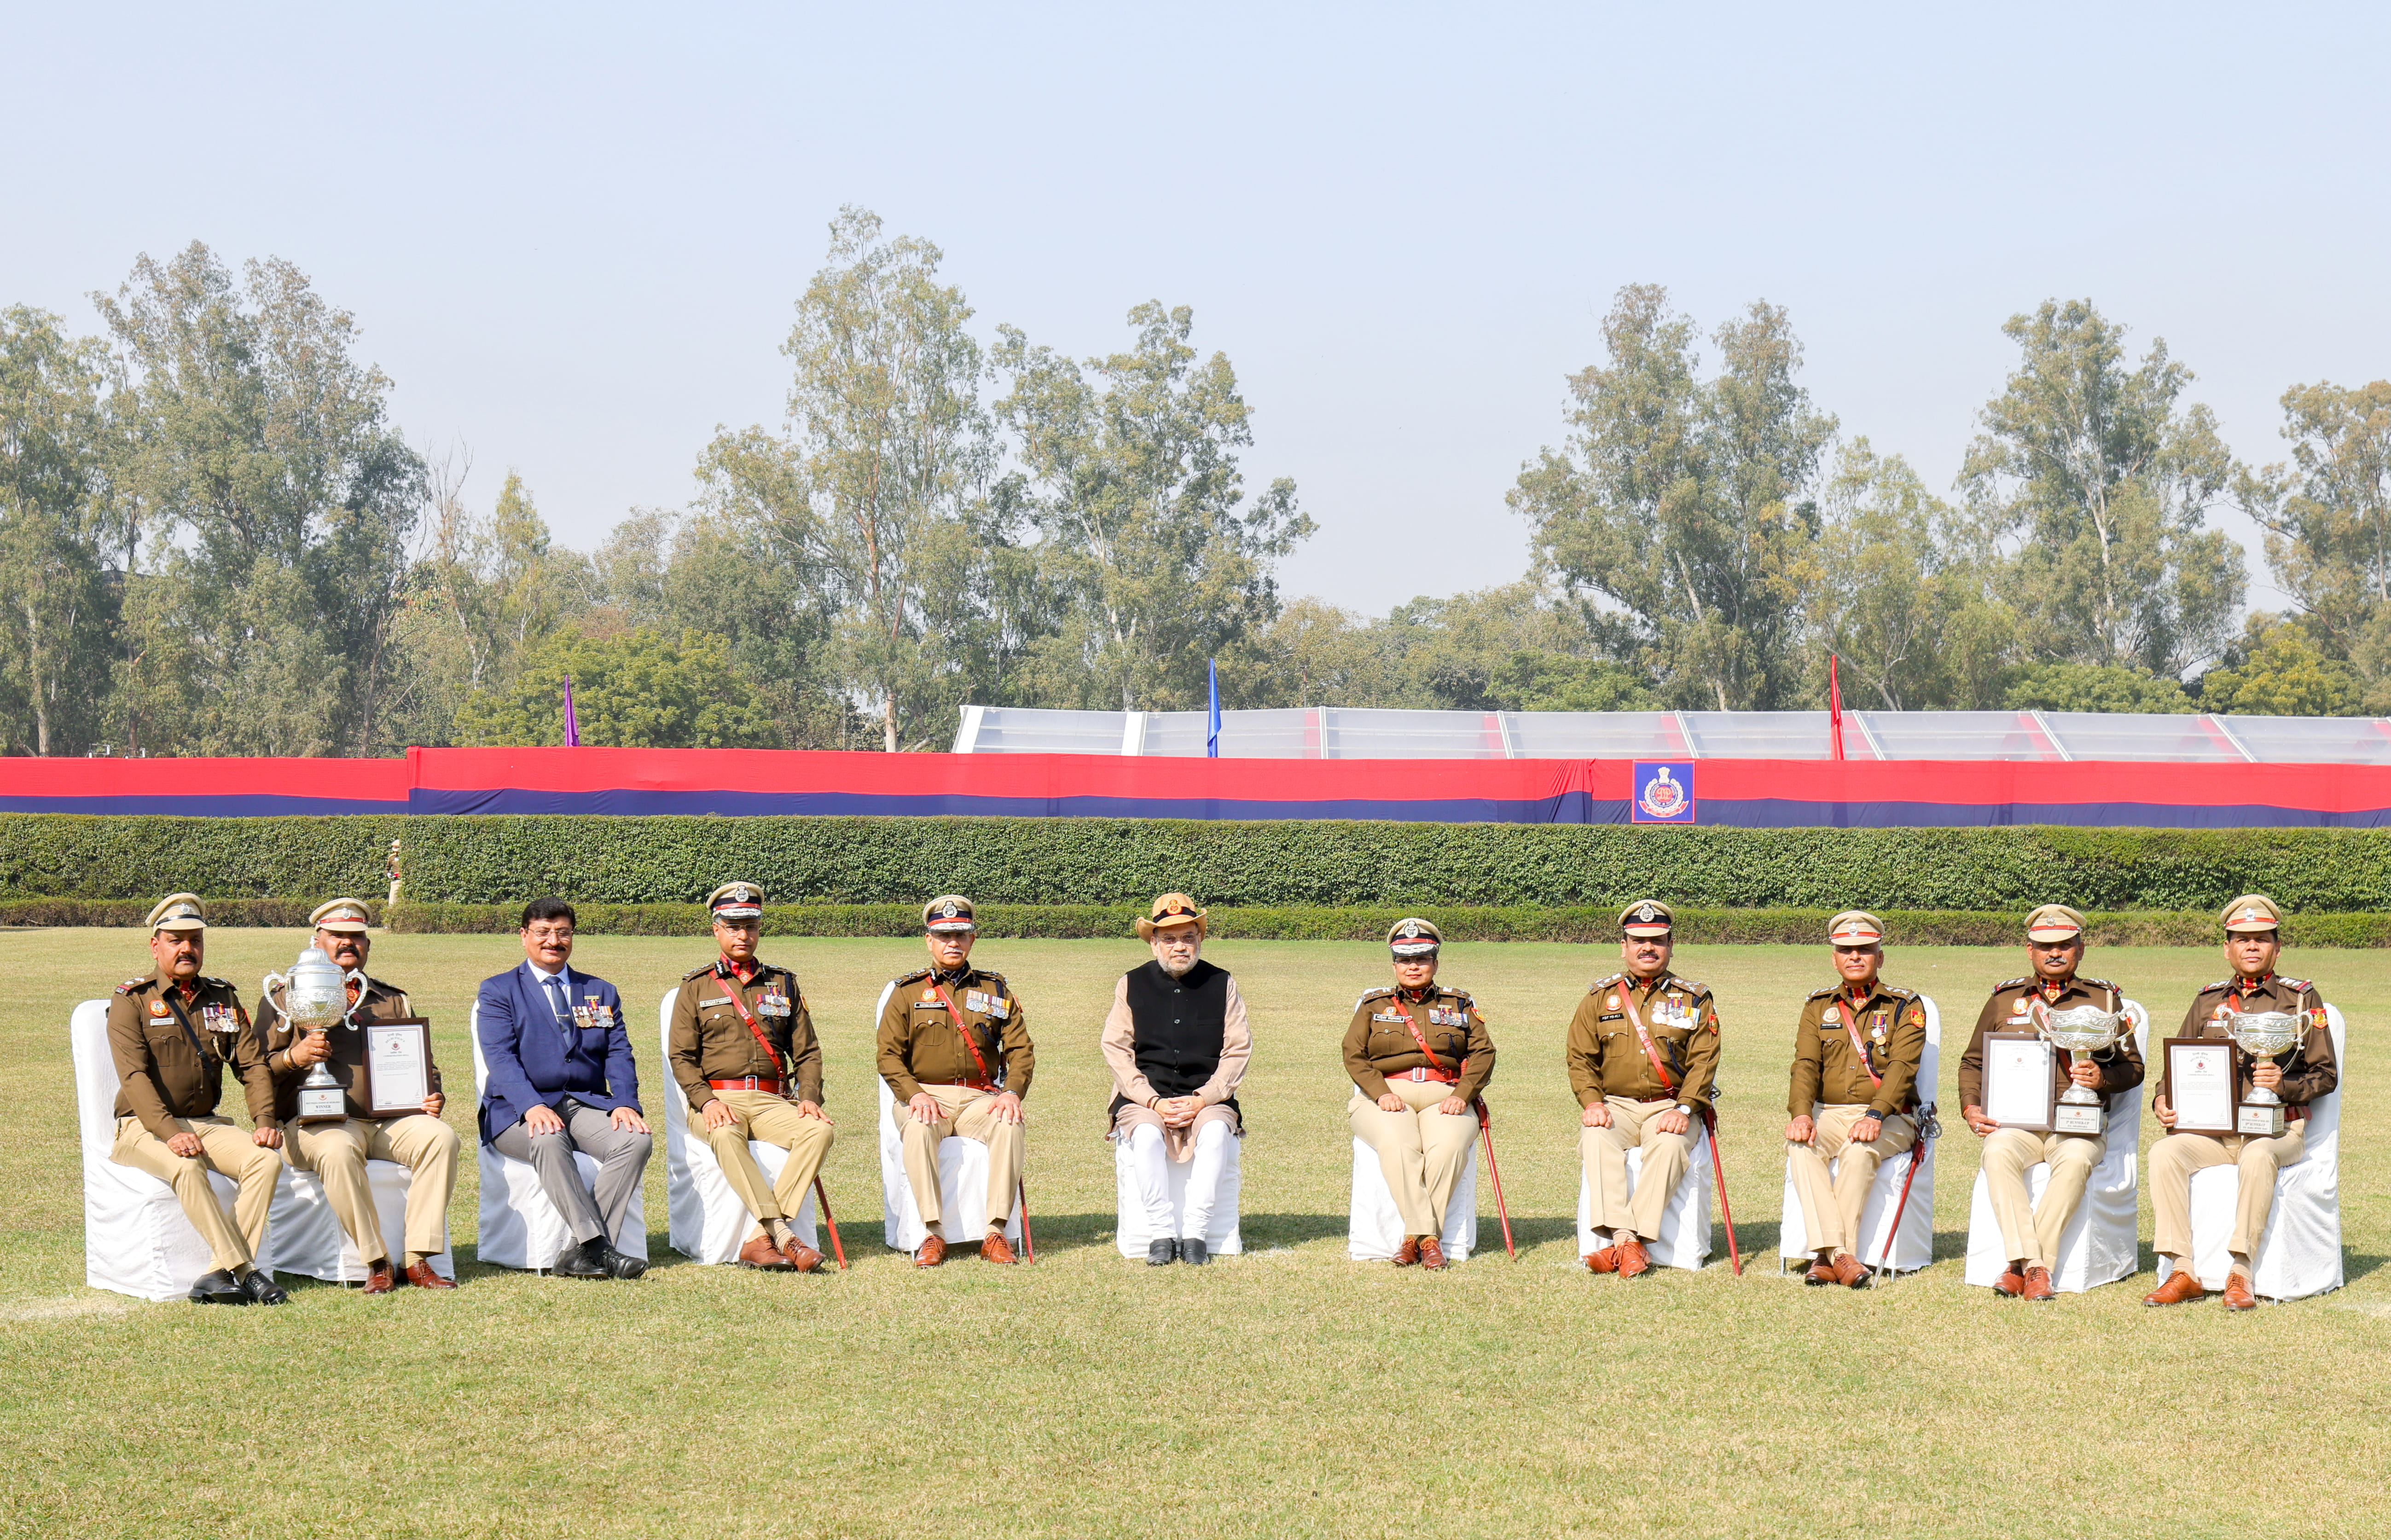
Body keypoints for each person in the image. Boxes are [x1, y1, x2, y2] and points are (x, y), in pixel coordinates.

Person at [2143, 894, 2339, 1311]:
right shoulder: (2207, 1001)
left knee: (2257, 1156)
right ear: (2227, 947)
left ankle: (2240, 1272)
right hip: (2216, 1132)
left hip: (2279, 1130)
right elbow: (2175, 1065)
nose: (2252, 946)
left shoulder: (2302, 999)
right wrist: (2163, 1098)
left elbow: (2326, 1075)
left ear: (2277, 947)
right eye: (2242, 939)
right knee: (2165, 1152)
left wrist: (2282, 1085)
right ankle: (2184, 1270)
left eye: (2262, 938)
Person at [255, 898, 460, 1293]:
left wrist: (433, 1094)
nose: (348, 944)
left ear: (368, 944)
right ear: (318, 941)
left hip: (388, 1121)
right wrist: (294, 1057)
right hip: (316, 1124)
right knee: (337, 1150)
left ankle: (419, 1258)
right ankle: (377, 1260)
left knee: (441, 1138)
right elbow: (258, 1069)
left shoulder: (390, 999)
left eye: (357, 938)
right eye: (338, 936)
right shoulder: (287, 996)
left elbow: (424, 1064)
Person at [105, 893, 289, 1305]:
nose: (188, 948)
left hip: (207, 1122)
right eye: (176, 940)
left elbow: (254, 1066)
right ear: (156, 945)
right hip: (142, 1124)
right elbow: (133, 1077)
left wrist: (264, 1120)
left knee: (265, 1159)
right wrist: (169, 1133)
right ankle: (246, 1271)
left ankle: (215, 1273)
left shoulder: (222, 997)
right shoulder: (132, 1000)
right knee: (188, 1170)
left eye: (195, 940)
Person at [1956, 904, 2142, 1302]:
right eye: (2045, 946)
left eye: (2064, 945)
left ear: (2081, 949)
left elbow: (2134, 1069)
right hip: (2019, 1125)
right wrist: (1972, 1108)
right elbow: (1973, 1061)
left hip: (2077, 1124)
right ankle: (2035, 1266)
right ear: (2030, 950)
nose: (2054, 953)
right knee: (1997, 1152)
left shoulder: (2105, 999)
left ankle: (2020, 1267)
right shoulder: (2005, 1000)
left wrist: (2102, 1078)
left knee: (2076, 1161)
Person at [475, 897, 650, 1279]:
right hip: (516, 1112)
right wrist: (531, 1106)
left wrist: (625, 1104)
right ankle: (601, 1249)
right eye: (543, 932)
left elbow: (619, 1053)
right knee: (549, 1139)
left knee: (634, 1141)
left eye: (563, 932)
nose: (553, 941)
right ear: (524, 936)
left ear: (572, 936)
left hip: (583, 1104)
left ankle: (577, 1253)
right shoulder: (498, 990)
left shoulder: (600, 991)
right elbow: (500, 1059)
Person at [666, 881, 833, 1273]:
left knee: (819, 1131)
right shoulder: (695, 987)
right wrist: (706, 1102)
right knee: (725, 1134)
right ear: (717, 929)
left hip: (772, 1101)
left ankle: (762, 1237)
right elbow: (682, 1057)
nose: (743, 934)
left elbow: (807, 1052)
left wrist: (809, 1097)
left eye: (751, 926)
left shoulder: (783, 983)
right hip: (719, 1101)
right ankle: (785, 1234)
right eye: (733, 926)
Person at [876, 896, 1035, 1268]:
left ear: (973, 939)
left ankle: (995, 1232)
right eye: (944, 935)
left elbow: (1021, 1050)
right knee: (919, 1127)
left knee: (1009, 1123)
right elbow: (888, 1056)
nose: (953, 942)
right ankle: (933, 1233)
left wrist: (1011, 1092)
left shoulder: (995, 990)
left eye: (961, 935)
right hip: (926, 1096)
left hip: (980, 1099)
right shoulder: (907, 992)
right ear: (928, 940)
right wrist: (914, 1095)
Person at [1567, 900, 1719, 1278]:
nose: (1647, 947)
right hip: (1615, 1105)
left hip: (1670, 1105)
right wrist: (1592, 1102)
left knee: (1669, 1146)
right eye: (1638, 940)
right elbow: (1580, 1057)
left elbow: (1705, 1061)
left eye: (1657, 940)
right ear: (1624, 946)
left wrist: (1684, 1109)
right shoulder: (1599, 998)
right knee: (1595, 1136)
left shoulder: (1695, 998)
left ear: (1670, 945)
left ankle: (1621, 1244)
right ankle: (1628, 1241)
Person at [1102, 893, 1250, 1266]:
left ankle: (1197, 1234)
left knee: (1217, 1134)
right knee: (1148, 1136)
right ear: (1154, 943)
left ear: (1200, 939)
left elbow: (1238, 1048)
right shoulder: (1131, 984)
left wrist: (1206, 1098)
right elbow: (1116, 1049)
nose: (1179, 947)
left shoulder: (1222, 983)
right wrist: (1152, 1101)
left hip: (1209, 1098)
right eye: (1169, 939)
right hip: (1144, 1099)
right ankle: (1162, 1233)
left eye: (1187, 937)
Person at [1785, 911, 1928, 1289]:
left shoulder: (1904, 1006)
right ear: (1834, 958)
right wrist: (1802, 1115)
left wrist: (1876, 1114)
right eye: (1846, 950)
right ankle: (1840, 1256)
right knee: (1800, 1147)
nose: (1855, 957)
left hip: (1893, 1116)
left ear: (1880, 957)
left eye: (1864, 950)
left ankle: (1825, 1257)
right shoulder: (1818, 1006)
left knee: (1859, 1151)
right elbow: (1804, 1066)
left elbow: (1902, 1068)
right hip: (1830, 1113)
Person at [1343, 917, 1496, 1271]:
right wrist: (1380, 1093)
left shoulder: (1459, 1004)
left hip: (1445, 1093)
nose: (1413, 966)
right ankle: (1428, 1240)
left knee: (1450, 1148)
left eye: (1422, 958)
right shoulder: (1374, 1005)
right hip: (1385, 1093)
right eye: (1405, 960)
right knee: (1398, 1145)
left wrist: (1463, 1092)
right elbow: (1354, 1053)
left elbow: (1484, 1053)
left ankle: (1415, 1238)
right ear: (1394, 964)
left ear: (1435, 963)